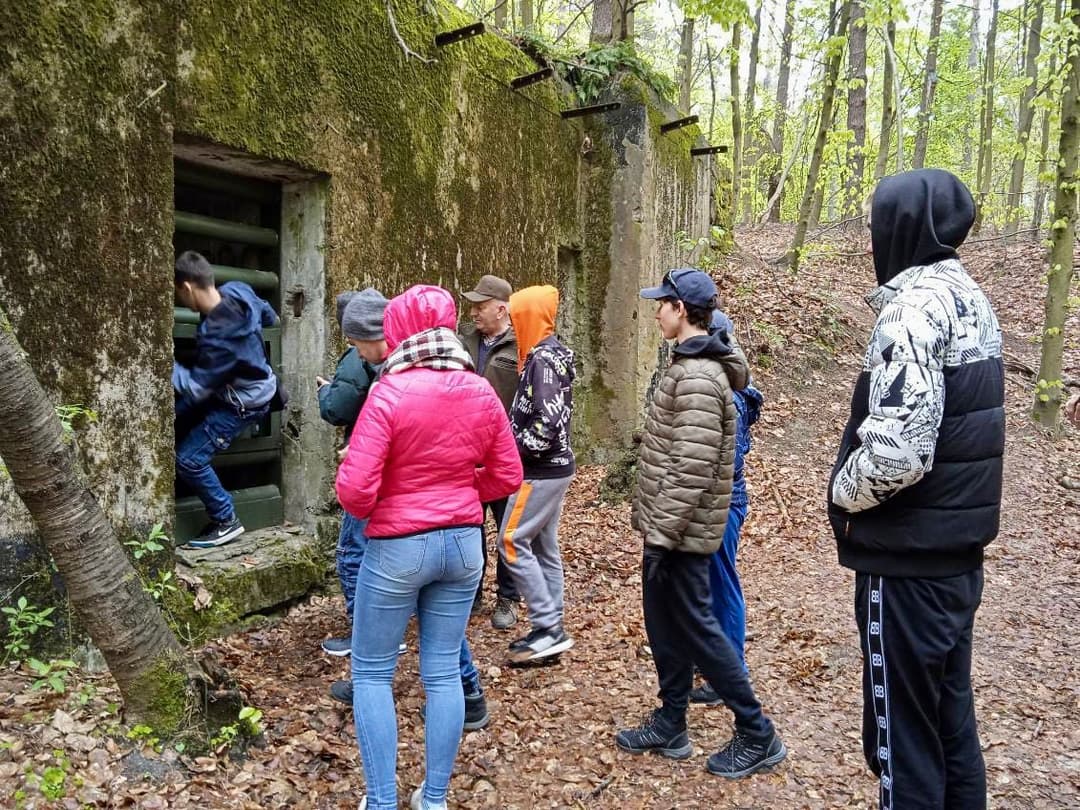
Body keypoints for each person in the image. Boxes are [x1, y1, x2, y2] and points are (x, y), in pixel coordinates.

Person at [828, 169, 1003, 810]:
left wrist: (842, 494)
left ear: (900, 229)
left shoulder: (912, 311)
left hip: (904, 566)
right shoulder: (968, 299)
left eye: (878, 223)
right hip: (954, 559)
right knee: (950, 727)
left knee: (902, 744)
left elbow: (898, 452)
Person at [336, 285, 522, 810]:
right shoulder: (480, 391)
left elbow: (354, 492)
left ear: (398, 332)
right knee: (441, 670)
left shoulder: (389, 392)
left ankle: (379, 801)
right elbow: (508, 474)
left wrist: (389, 500)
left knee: (372, 672)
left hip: (398, 547)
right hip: (463, 546)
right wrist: (461, 494)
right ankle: (434, 798)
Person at [615, 268, 785, 780]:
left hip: (683, 535)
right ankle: (672, 721)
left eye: (662, 304)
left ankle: (758, 733)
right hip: (668, 531)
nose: (656, 311)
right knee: (664, 625)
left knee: (703, 633)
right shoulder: (687, 366)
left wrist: (663, 539)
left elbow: (690, 468)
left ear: (682, 311)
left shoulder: (697, 377)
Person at [173, 250, 279, 549]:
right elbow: (268, 313)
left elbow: (196, 387)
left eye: (179, 294)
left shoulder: (217, 337)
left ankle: (226, 519)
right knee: (182, 414)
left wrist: (166, 365)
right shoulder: (238, 289)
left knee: (189, 460)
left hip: (242, 405)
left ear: (188, 288)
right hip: (258, 385)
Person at [498, 285, 576, 663]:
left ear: (529, 317)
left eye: (516, 318)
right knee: (544, 546)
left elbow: (549, 421)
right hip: (554, 468)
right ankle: (551, 629)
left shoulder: (542, 360)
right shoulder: (546, 356)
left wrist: (512, 451)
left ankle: (548, 626)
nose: (513, 326)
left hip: (540, 471)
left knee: (511, 540)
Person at [689, 310, 764, 706]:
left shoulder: (730, 394)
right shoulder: (727, 385)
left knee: (722, 582)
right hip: (721, 499)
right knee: (710, 583)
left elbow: (727, 460)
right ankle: (716, 659)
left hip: (724, 501)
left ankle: (730, 673)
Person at [316, 289, 383, 658]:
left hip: (368, 470)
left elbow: (339, 408)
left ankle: (366, 636)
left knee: (354, 550)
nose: (356, 349)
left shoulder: (360, 361)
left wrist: (324, 395)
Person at [459, 274, 522, 630]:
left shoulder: (521, 344)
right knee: (470, 526)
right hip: (467, 452)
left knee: (507, 530)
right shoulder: (462, 338)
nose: (474, 313)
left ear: (501, 309)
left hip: (503, 453)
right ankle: (471, 593)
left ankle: (508, 598)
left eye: (481, 306)